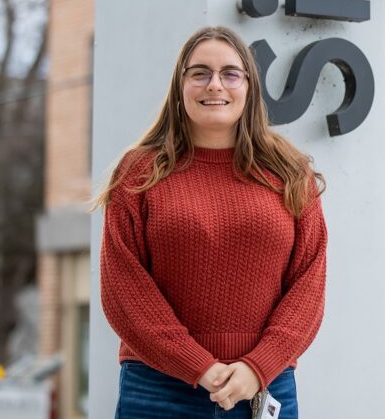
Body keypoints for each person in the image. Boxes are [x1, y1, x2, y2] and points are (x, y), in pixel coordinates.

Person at [91, 26, 328, 418]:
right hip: (158, 388)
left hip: (263, 386)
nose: (214, 85)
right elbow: (123, 290)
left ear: (249, 86)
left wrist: (258, 366)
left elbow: (309, 286)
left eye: (230, 74)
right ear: (180, 85)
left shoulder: (289, 172)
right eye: (199, 73)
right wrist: (198, 367)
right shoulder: (138, 173)